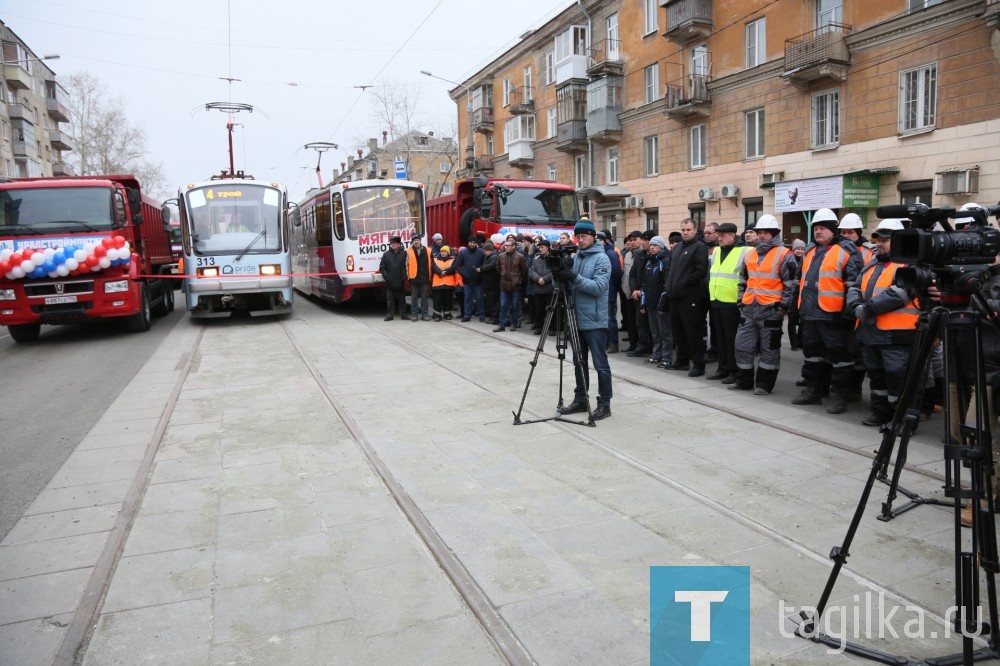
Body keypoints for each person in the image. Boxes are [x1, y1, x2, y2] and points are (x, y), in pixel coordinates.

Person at [845, 219, 918, 428]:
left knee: (898, 377)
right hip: (871, 332)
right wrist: (855, 305)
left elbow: (900, 294)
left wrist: (866, 309)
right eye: (878, 239)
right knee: (876, 375)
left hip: (897, 334)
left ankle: (902, 420)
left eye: (885, 240)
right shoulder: (872, 264)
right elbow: (855, 287)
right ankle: (881, 412)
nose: (879, 243)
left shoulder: (908, 265)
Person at [792, 207, 865, 414]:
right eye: (816, 228)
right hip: (810, 313)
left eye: (823, 228)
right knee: (812, 354)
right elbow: (800, 282)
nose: (818, 232)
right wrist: (795, 308)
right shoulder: (809, 250)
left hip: (833, 316)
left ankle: (840, 396)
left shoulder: (847, 250)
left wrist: (847, 314)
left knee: (839, 357)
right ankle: (813, 390)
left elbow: (853, 285)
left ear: (834, 230)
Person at [731, 215, 797, 394]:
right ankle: (743, 381)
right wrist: (740, 301)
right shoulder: (749, 254)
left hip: (771, 311)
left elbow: (790, 285)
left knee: (770, 350)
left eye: (765, 232)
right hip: (749, 309)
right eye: (759, 232)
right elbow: (743, 280)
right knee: (742, 346)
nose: (761, 236)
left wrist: (781, 309)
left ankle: (764, 385)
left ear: (774, 234)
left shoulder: (785, 255)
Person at [555, 218, 613, 420]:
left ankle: (604, 404)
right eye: (577, 236)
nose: (580, 240)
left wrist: (573, 277)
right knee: (578, 362)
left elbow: (598, 288)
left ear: (593, 236)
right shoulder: (577, 257)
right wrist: (560, 275)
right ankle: (581, 399)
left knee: (600, 364)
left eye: (584, 236)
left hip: (595, 320)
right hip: (575, 317)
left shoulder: (601, 259)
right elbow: (570, 284)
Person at [664, 218, 710, 377]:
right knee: (678, 331)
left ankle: (698, 364)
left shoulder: (699, 247)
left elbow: (700, 271)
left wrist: (684, 283)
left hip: (691, 297)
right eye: (683, 230)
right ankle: (682, 361)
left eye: (688, 230)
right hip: (675, 296)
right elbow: (671, 271)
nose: (685, 232)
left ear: (695, 230)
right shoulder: (677, 249)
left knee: (693, 332)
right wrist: (670, 286)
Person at [706, 223, 750, 382]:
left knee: (732, 339)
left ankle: (733, 370)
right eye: (719, 235)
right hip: (716, 300)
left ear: (733, 235)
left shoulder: (745, 251)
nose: (720, 238)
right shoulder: (717, 251)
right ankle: (722, 368)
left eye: (723, 235)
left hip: (733, 302)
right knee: (720, 338)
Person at [641, 236, 671, 368]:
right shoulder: (649, 262)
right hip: (650, 304)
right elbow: (645, 285)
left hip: (660, 304)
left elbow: (666, 285)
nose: (652, 247)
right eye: (651, 244)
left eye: (655, 245)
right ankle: (656, 355)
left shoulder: (664, 262)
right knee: (655, 332)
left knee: (665, 332)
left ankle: (667, 358)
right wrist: (643, 302)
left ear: (661, 247)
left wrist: (662, 304)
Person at [627, 230, 656, 358]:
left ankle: (655, 348)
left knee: (654, 325)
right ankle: (643, 346)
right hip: (638, 295)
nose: (642, 242)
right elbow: (632, 274)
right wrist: (634, 289)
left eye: (645, 240)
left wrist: (644, 291)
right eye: (642, 240)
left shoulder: (660, 256)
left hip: (651, 295)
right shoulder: (640, 255)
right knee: (641, 323)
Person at [599, 231, 624, 353]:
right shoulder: (594, 254)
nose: (598, 242)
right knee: (601, 320)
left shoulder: (611, 254)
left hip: (609, 292)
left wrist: (618, 289)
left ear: (605, 241)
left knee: (610, 319)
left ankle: (613, 343)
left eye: (600, 240)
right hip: (597, 293)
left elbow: (617, 274)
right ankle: (604, 342)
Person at [495, 238, 526, 332]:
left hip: (515, 285)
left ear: (513, 247)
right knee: (503, 305)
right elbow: (498, 269)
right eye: (505, 245)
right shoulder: (500, 256)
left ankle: (514, 323)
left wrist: (519, 280)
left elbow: (524, 270)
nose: (506, 247)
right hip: (504, 284)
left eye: (508, 245)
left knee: (515, 305)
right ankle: (501, 324)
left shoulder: (520, 256)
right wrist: (503, 276)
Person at [454, 235, 485, 322]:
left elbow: (484, 265)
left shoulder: (481, 252)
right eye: (471, 242)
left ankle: (481, 315)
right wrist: (464, 274)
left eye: (474, 243)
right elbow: (457, 266)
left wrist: (480, 271)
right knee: (467, 298)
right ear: (468, 243)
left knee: (479, 298)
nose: (472, 244)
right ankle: (467, 315)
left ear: (476, 244)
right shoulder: (463, 253)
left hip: (478, 280)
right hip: (467, 281)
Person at [620, 231, 642, 352]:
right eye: (630, 240)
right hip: (627, 292)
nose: (632, 242)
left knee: (640, 322)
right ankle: (633, 343)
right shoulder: (628, 254)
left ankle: (642, 345)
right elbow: (625, 273)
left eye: (635, 240)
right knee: (630, 321)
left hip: (638, 294)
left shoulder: (643, 254)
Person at [528, 239, 555, 334]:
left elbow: (554, 272)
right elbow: (531, 271)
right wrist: (538, 278)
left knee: (550, 309)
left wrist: (545, 279)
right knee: (538, 309)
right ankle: (539, 327)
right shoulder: (536, 259)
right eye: (539, 247)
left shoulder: (553, 258)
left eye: (542, 247)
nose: (540, 249)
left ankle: (551, 328)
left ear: (547, 248)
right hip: (538, 288)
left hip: (549, 289)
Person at [379, 235, 407, 321]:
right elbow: (382, 267)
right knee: (390, 300)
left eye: (395, 243)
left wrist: (404, 277)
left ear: (399, 244)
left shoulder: (404, 253)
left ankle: (404, 315)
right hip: (390, 281)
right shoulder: (386, 254)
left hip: (400, 281)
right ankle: (390, 315)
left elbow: (407, 266)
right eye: (391, 243)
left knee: (402, 299)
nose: (393, 244)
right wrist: (387, 277)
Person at [406, 234, 432, 321]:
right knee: (414, 298)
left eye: (417, 240)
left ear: (420, 241)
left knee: (424, 298)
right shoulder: (407, 251)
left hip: (424, 278)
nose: (416, 241)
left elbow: (432, 264)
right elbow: (406, 265)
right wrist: (408, 277)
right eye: (414, 240)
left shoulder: (428, 250)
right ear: (412, 241)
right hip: (413, 279)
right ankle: (414, 315)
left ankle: (425, 314)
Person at [787, 239, 807, 351]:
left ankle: (800, 341)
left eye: (802, 249)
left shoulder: (807, 260)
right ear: (793, 250)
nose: (800, 251)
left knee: (803, 320)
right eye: (797, 249)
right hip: (792, 294)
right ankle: (793, 344)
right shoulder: (789, 261)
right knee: (792, 320)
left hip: (802, 294)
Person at [431, 245, 458, 320]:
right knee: (437, 301)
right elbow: (433, 267)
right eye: (442, 251)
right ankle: (436, 315)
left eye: (445, 252)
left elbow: (453, 268)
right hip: (437, 284)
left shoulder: (452, 260)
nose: (443, 253)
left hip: (448, 284)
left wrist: (444, 272)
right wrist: (440, 272)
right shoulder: (435, 259)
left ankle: (447, 314)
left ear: (448, 253)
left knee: (448, 300)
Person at [480, 241, 501, 324]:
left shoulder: (494, 256)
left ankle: (494, 318)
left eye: (485, 251)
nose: (484, 253)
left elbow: (491, 266)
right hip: (489, 283)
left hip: (493, 283)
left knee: (493, 301)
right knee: (490, 301)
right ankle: (492, 316)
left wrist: (481, 269)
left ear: (489, 250)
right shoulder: (488, 256)